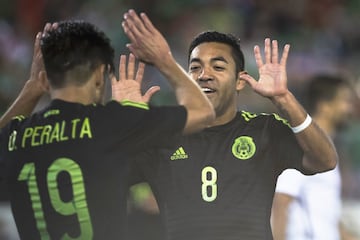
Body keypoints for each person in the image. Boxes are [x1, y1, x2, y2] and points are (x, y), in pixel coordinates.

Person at [122, 9, 338, 240]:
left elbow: (325, 160)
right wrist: (124, 122)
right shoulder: (161, 136)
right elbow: (102, 175)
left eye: (218, 66)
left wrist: (283, 98)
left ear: (239, 81)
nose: (204, 75)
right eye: (195, 68)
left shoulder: (264, 130)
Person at [0, 20, 215, 239]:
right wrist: (164, 60)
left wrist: (32, 88)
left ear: (45, 79)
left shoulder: (17, 134)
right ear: (99, 73)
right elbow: (203, 113)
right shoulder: (112, 122)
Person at [271, 74, 359, 240]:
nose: (349, 108)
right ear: (324, 106)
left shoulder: (328, 151)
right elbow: (281, 201)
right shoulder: (304, 146)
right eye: (345, 101)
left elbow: (328, 220)